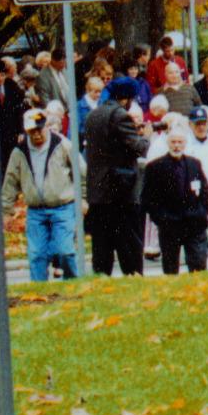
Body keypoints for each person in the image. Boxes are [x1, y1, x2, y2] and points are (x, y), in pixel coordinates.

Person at [0, 107, 80, 279]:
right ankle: (39, 292)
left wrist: (84, 199)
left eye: (39, 129)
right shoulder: (20, 152)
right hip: (36, 211)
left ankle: (73, 285)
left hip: (63, 207)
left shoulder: (62, 144)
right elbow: (10, 181)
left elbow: (81, 172)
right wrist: (6, 211)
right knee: (36, 255)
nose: (36, 135)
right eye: (31, 131)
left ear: (46, 126)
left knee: (65, 251)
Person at [83, 76, 150, 276]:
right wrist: (146, 135)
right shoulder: (120, 115)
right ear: (126, 98)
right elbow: (138, 148)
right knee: (129, 247)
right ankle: (133, 282)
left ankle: (102, 282)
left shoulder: (93, 115)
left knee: (102, 249)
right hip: (120, 192)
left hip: (98, 192)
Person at [141, 124, 208, 273]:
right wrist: (160, 218)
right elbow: (147, 198)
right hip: (169, 225)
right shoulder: (155, 167)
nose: (177, 146)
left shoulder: (194, 164)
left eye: (180, 142)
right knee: (170, 269)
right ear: (168, 143)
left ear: (185, 143)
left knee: (199, 266)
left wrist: (202, 211)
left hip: (194, 223)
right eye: (173, 142)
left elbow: (204, 191)